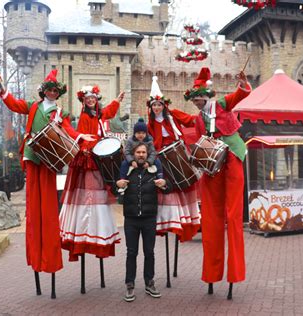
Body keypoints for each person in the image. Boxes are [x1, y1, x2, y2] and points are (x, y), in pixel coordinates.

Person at [0, 70, 94, 296]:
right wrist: (3, 88)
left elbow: (68, 131)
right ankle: (36, 253)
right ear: (44, 90)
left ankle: (49, 255)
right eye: (50, 89)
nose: (53, 92)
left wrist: (80, 137)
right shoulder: (32, 106)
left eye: (56, 90)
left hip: (49, 160)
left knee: (49, 209)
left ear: (58, 93)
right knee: (33, 207)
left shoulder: (61, 112)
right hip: (32, 154)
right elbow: (14, 104)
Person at [186, 67, 251, 296]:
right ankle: (211, 275)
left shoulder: (221, 104)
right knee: (211, 218)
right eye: (193, 99)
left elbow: (240, 95)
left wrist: (242, 83)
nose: (196, 101)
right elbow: (200, 143)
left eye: (199, 97)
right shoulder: (198, 121)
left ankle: (234, 274)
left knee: (233, 215)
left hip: (232, 158)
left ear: (207, 95)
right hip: (212, 166)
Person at [59, 85, 125, 261]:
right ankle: (87, 230)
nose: (91, 101)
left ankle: (98, 229)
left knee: (99, 196)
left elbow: (109, 112)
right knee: (91, 195)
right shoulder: (84, 117)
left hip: (99, 156)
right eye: (88, 99)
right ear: (84, 101)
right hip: (91, 158)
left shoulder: (100, 114)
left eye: (93, 98)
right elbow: (82, 136)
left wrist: (117, 100)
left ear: (96, 100)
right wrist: (90, 147)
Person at [146, 76, 200, 242]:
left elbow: (189, 120)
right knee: (169, 188)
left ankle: (185, 217)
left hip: (177, 152)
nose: (156, 107)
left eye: (159, 104)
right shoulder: (150, 123)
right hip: (161, 156)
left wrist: (202, 119)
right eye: (154, 105)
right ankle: (169, 218)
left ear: (164, 105)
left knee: (183, 185)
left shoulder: (173, 115)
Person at [115, 143, 171, 302]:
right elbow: (116, 189)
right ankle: (130, 285)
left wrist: (164, 184)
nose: (140, 154)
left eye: (143, 152)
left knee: (149, 252)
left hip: (149, 218)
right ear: (134, 154)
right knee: (131, 253)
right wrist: (117, 185)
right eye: (138, 152)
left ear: (147, 154)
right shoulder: (127, 171)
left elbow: (168, 189)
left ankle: (149, 283)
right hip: (131, 219)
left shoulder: (154, 171)